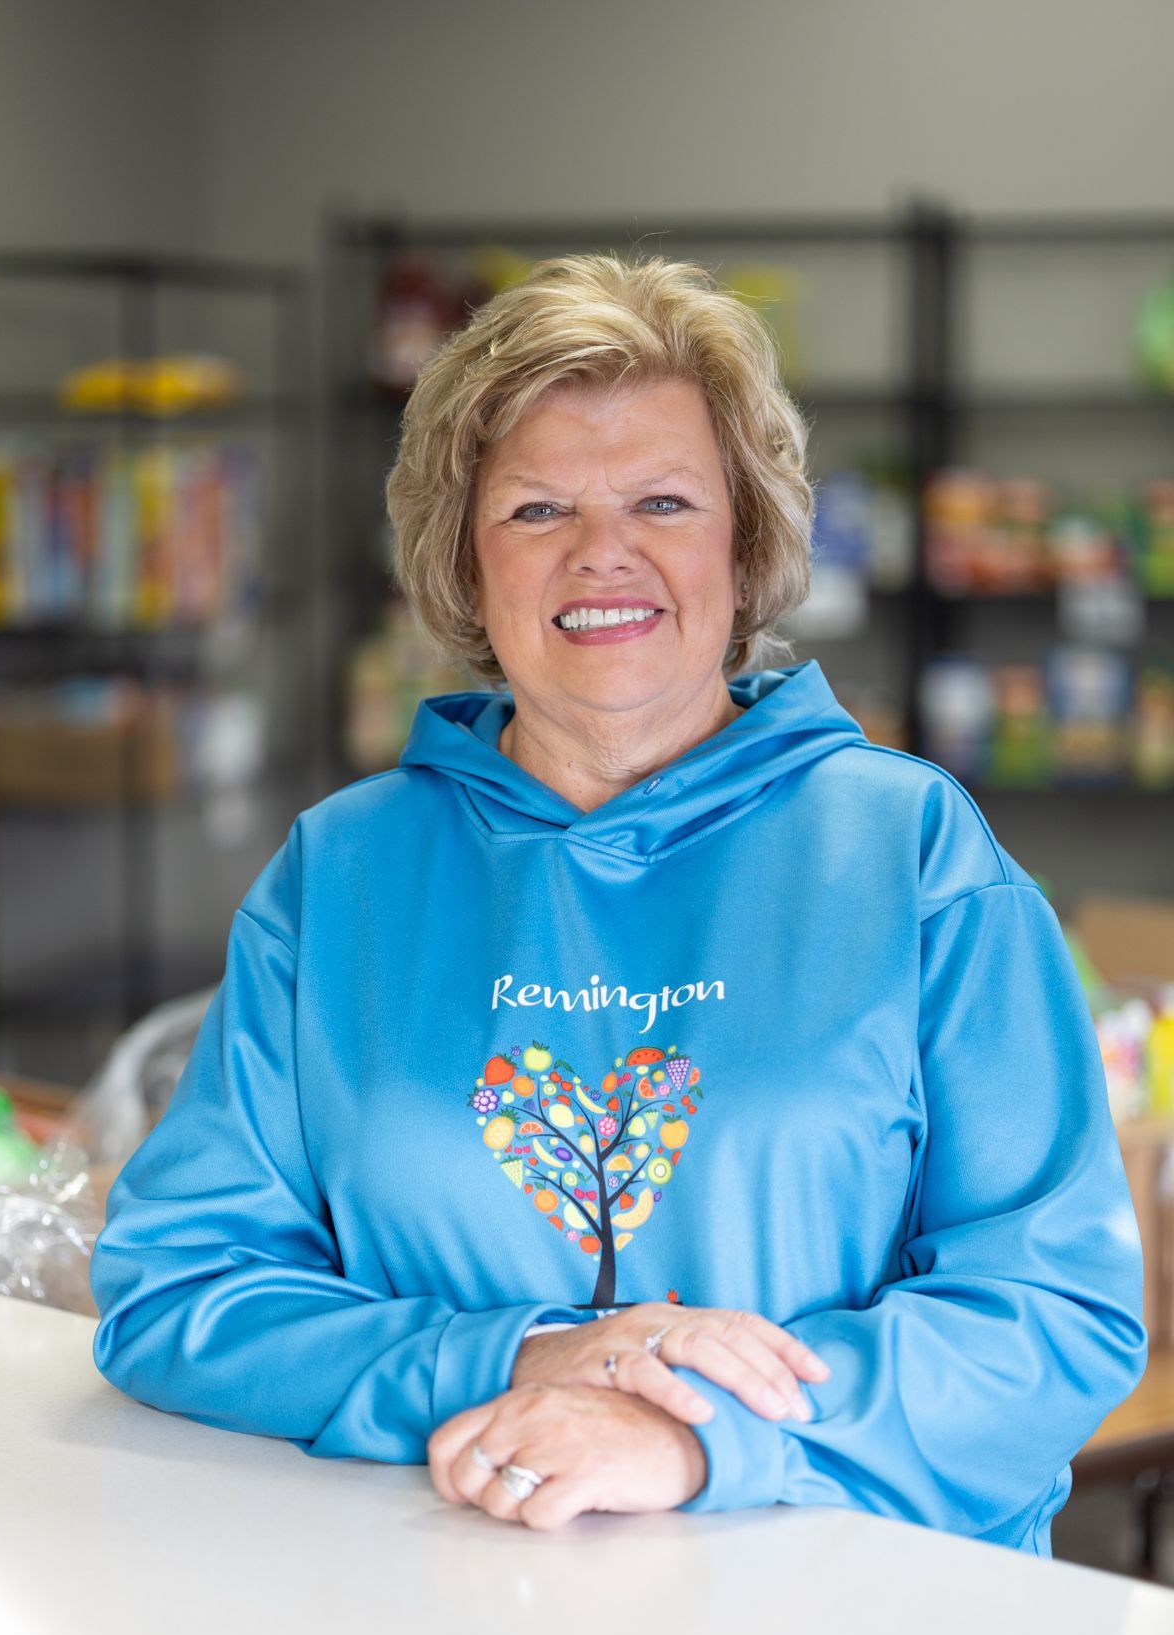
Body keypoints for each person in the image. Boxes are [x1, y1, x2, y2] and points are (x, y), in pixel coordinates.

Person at [89, 253, 1146, 1549]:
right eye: (537, 510)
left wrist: (699, 1436)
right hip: (431, 1602)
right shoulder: (343, 873)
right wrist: (522, 1356)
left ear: (746, 545)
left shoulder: (913, 856)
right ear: (463, 561)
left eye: (663, 501)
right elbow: (178, 1290)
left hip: (848, 1627)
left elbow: (1055, 1314)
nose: (604, 555)